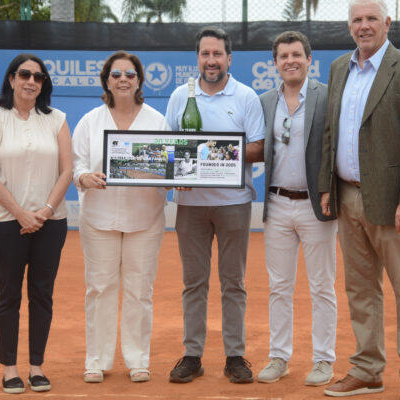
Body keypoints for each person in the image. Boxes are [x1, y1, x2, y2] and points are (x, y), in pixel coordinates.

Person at [318, 1, 400, 399]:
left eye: (371, 19)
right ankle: (367, 369)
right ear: (349, 26)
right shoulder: (338, 68)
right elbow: (331, 133)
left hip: (393, 203)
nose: (364, 26)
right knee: (360, 290)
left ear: (388, 23)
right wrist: (325, 187)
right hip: (347, 196)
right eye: (357, 20)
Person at [164, 26, 265, 384]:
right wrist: (182, 167)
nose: (211, 61)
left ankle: (235, 355)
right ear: (198, 59)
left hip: (234, 203)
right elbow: (168, 147)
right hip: (190, 205)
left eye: (217, 54)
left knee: (233, 282)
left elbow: (259, 148)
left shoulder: (247, 97)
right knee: (194, 283)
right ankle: (192, 355)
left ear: (229, 59)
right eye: (205, 54)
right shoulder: (180, 96)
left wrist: (212, 153)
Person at [0, 53, 72, 394]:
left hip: (51, 222)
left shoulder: (57, 119)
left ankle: (37, 367)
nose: (31, 81)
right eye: (24, 74)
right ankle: (10, 369)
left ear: (43, 84)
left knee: (42, 295)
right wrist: (20, 213)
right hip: (5, 222)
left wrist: (44, 212)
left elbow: (67, 171)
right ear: (12, 79)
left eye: (38, 77)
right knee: (8, 296)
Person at [72, 51, 169, 384]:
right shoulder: (90, 121)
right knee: (99, 288)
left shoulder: (157, 121)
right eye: (116, 74)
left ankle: (137, 359)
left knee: (140, 290)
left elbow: (169, 166)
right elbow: (78, 164)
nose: (123, 79)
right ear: (107, 81)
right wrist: (84, 178)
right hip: (98, 217)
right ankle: (96, 360)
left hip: (146, 217)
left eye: (130, 73)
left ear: (139, 80)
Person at [256, 31, 338, 387]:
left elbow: (337, 146)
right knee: (279, 286)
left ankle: (323, 360)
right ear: (274, 63)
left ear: (309, 59)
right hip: (275, 205)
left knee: (322, 286)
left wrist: (330, 190)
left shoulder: (326, 95)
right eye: (283, 56)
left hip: (315, 206)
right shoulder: (264, 102)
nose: (290, 60)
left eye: (296, 55)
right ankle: (279, 357)